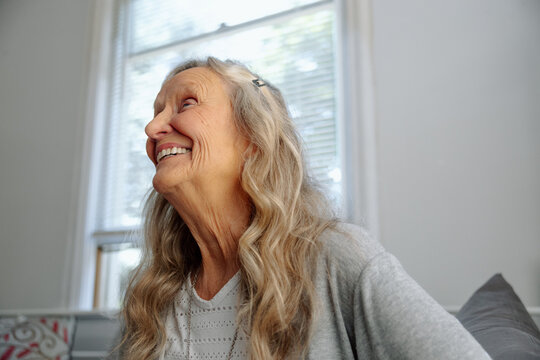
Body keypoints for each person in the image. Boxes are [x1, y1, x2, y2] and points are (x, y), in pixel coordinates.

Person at [118, 57, 490, 360]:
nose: (152, 128)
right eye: (155, 112)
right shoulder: (153, 295)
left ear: (252, 139)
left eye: (186, 103)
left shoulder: (337, 260)